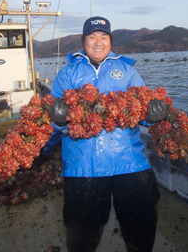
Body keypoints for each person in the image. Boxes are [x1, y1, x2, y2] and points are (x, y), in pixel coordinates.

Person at [44, 16, 168, 252]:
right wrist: (58, 119)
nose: (98, 42)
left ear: (110, 41)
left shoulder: (127, 70)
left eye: (104, 37)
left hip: (130, 163)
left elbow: (141, 111)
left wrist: (152, 115)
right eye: (92, 37)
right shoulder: (67, 74)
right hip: (83, 166)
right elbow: (51, 122)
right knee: (81, 236)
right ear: (83, 41)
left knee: (142, 230)